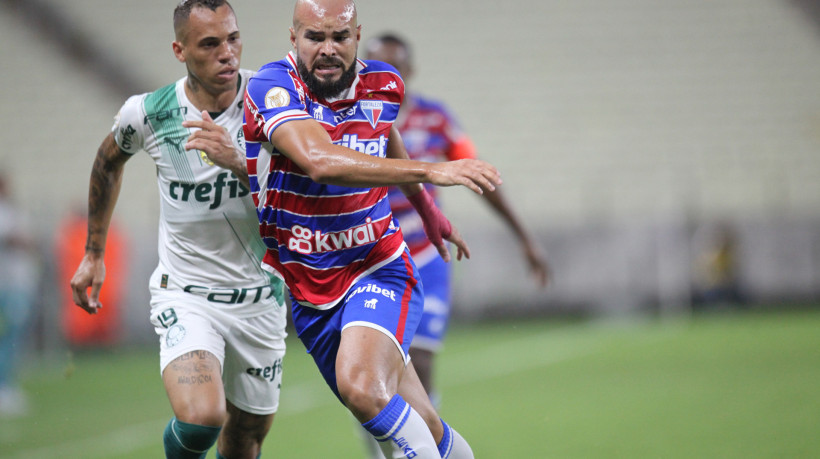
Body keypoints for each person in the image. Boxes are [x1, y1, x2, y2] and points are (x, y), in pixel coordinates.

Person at [242, 1, 500, 457]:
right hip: (309, 285)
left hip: (376, 266)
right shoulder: (272, 86)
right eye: (314, 37)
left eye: (339, 37)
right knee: (424, 422)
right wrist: (433, 172)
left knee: (361, 387)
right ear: (293, 38)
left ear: (356, 37)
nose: (327, 49)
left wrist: (426, 208)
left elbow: (386, 140)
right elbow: (319, 162)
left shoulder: (384, 83)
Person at [69, 1, 287, 457]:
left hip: (260, 297)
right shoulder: (149, 112)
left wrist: (241, 162)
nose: (227, 52)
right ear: (180, 50)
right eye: (210, 43)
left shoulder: (272, 103)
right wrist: (94, 251)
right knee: (202, 417)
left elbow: (309, 184)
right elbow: (108, 161)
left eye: (232, 38)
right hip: (186, 295)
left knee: (246, 438)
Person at [366, 31, 550, 398]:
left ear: (410, 71)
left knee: (419, 360)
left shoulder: (435, 118)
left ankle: (424, 449)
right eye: (377, 66)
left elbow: (479, 173)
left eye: (395, 67)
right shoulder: (354, 123)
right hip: (373, 258)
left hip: (427, 256)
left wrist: (525, 239)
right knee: (374, 369)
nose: (386, 74)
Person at [0, 173, 40, 418]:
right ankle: (4, 387)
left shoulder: (11, 209)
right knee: (9, 339)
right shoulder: (4, 211)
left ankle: (7, 384)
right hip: (8, 285)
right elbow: (12, 238)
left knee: (13, 338)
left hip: (17, 284)